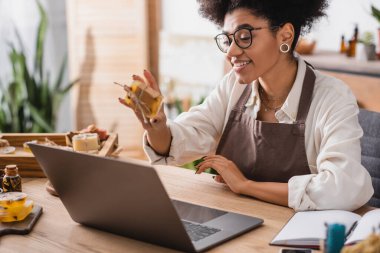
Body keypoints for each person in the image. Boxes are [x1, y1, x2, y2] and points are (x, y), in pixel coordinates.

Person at [119, 0, 374, 211]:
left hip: (299, 237)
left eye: (243, 37)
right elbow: (185, 139)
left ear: (285, 35)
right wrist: (158, 126)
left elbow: (344, 187)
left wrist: (246, 186)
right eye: (228, 39)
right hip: (241, 223)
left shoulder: (332, 97)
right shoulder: (233, 86)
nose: (230, 52)